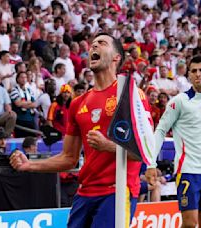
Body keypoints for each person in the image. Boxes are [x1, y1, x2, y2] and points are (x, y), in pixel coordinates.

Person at [10, 33, 147, 227]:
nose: (94, 47)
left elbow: (144, 152)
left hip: (117, 191)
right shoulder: (78, 103)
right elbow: (69, 158)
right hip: (85, 192)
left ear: (117, 57)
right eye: (92, 45)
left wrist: (108, 146)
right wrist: (30, 165)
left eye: (102, 43)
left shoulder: (131, 94)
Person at [146, 55, 201, 228]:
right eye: (194, 71)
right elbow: (160, 130)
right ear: (189, 76)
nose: (198, 74)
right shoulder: (179, 101)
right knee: (190, 223)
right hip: (188, 171)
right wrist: (151, 163)